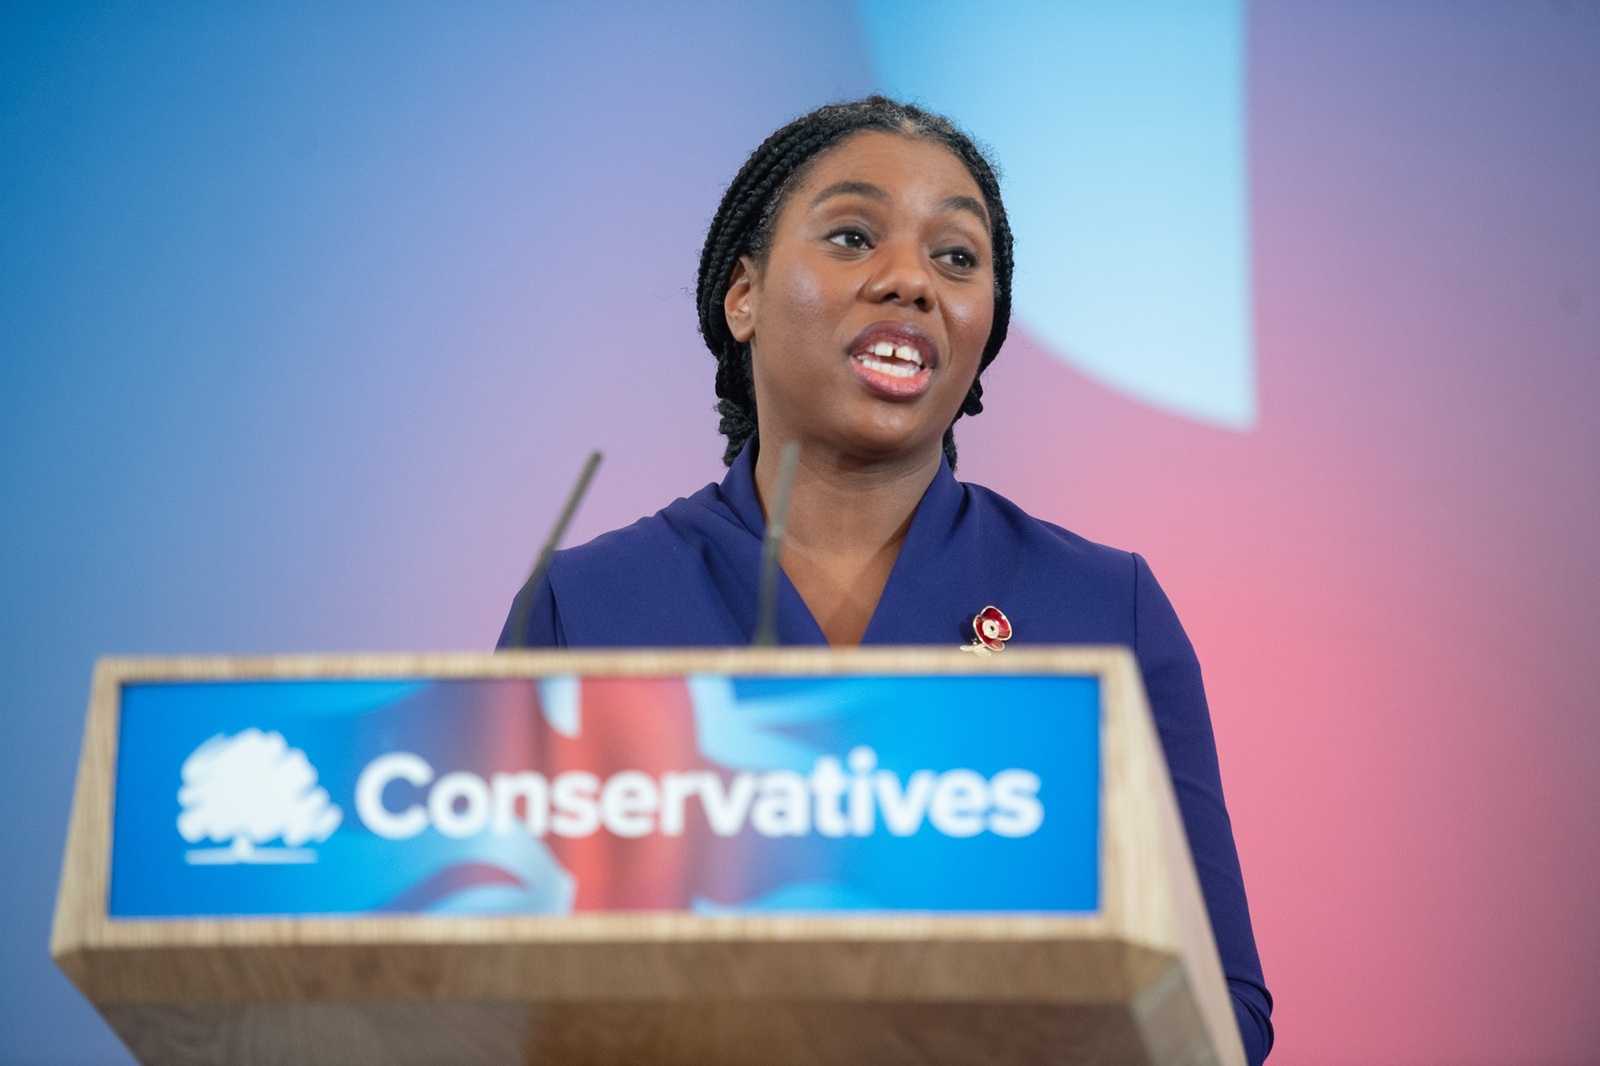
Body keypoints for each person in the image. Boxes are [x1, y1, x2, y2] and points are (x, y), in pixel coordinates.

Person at [500, 96, 1273, 1063]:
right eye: (854, 236)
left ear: (984, 324)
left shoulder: (1100, 605)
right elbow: (507, 997)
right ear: (742, 294)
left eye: (957, 257)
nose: (909, 279)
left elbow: (1219, 1010)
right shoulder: (588, 606)